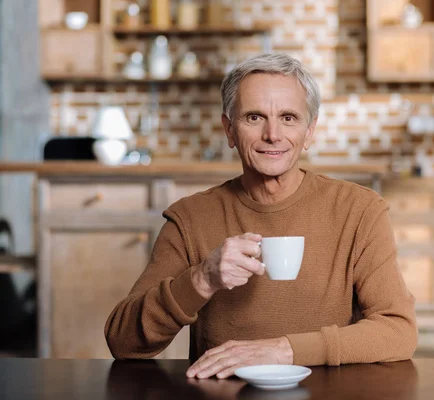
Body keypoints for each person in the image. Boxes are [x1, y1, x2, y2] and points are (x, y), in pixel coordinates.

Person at [104, 52, 417, 379]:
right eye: (254, 117)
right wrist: (201, 279)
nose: (273, 135)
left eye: (289, 118)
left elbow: (398, 330)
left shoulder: (360, 211)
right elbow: (122, 342)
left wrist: (284, 350)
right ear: (229, 130)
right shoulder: (190, 219)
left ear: (309, 131)